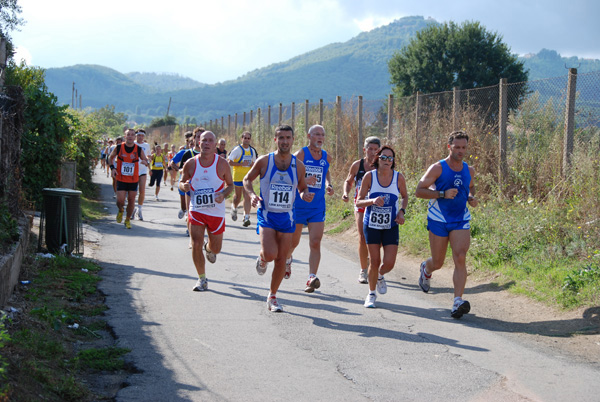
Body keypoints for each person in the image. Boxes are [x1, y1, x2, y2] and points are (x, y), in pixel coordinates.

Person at [243, 125, 313, 312]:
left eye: (288, 137)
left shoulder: (298, 165)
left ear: (292, 140)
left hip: (287, 217)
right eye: (280, 137)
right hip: (267, 214)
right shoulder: (264, 161)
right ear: (275, 140)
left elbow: (302, 186)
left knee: (282, 258)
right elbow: (247, 180)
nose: (284, 141)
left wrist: (305, 194)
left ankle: (272, 296)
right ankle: (262, 257)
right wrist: (251, 195)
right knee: (270, 254)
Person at [415, 130, 478, 319]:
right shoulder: (438, 168)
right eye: (457, 147)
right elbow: (419, 190)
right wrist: (442, 194)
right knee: (438, 262)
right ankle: (426, 269)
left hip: (460, 218)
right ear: (449, 146)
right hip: (438, 218)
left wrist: (471, 197)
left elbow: (471, 186)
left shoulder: (469, 170)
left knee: (460, 257)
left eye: (464, 147)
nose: (460, 150)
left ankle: (457, 301)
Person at [180, 131, 234, 291]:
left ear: (215, 144)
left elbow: (230, 185)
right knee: (196, 243)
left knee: (216, 248)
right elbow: (181, 182)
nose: (206, 143)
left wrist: (223, 194)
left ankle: (209, 249)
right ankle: (201, 279)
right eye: (204, 140)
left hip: (216, 212)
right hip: (196, 210)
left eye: (210, 140)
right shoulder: (190, 163)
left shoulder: (222, 164)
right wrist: (183, 186)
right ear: (198, 143)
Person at [355, 145, 408, 308]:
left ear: (393, 161)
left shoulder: (398, 177)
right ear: (378, 159)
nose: (387, 160)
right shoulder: (369, 177)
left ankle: (379, 276)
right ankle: (371, 294)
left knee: (390, 262)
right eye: (383, 157)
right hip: (372, 224)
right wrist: (371, 201)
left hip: (391, 224)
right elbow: (358, 201)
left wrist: (402, 212)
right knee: (375, 260)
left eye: (390, 158)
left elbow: (405, 197)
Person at [285, 124, 333, 293]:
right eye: (316, 134)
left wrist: (328, 184)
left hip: (317, 206)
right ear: (309, 136)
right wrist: (306, 178)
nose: (320, 137)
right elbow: (290, 174)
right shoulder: (301, 154)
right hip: (298, 205)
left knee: (315, 242)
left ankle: (311, 277)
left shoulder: (326, 156)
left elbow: (326, 172)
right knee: (294, 242)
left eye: (322, 134)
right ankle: (288, 259)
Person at [342, 136, 381, 284]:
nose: (372, 152)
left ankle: (373, 261)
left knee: (378, 240)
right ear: (364, 150)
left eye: (376, 150)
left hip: (379, 206)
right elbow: (349, 180)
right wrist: (346, 192)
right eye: (370, 149)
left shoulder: (383, 165)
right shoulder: (357, 165)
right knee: (362, 237)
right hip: (361, 204)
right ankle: (364, 270)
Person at [108, 128, 149, 229]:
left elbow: (145, 160)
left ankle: (127, 219)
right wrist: (113, 168)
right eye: (128, 135)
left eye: (132, 135)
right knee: (120, 201)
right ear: (125, 136)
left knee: (131, 200)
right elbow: (110, 157)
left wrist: (145, 162)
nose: (130, 136)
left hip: (133, 179)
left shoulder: (138, 149)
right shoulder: (118, 147)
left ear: (134, 137)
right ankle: (121, 210)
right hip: (121, 178)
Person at [228, 131, 258, 227]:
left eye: (248, 138)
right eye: (245, 138)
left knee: (247, 197)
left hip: (248, 177)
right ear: (242, 139)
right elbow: (230, 162)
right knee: (238, 196)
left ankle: (246, 217)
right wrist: (241, 164)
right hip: (238, 176)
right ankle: (234, 207)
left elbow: (254, 163)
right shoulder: (237, 149)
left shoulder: (252, 151)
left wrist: (254, 169)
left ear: (250, 140)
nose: (246, 140)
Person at [132, 129, 151, 221]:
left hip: (143, 171)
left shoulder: (146, 145)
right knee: (132, 191)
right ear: (136, 136)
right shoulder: (132, 144)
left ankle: (139, 209)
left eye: (142, 135)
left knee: (142, 190)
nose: (140, 137)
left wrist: (147, 163)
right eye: (139, 135)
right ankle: (132, 208)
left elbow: (149, 157)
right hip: (133, 170)